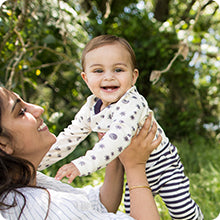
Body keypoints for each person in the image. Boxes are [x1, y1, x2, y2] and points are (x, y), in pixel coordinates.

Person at [39, 35, 203, 219]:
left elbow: (115, 140)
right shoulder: (91, 107)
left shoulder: (132, 102)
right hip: (132, 170)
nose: (109, 77)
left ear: (133, 77)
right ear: (86, 78)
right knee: (132, 215)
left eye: (118, 69)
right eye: (98, 70)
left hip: (164, 167)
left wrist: (80, 165)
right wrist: (37, 163)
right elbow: (70, 136)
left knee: (183, 212)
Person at [0, 86, 161, 220]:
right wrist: (135, 166)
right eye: (21, 112)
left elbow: (97, 205)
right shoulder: (45, 208)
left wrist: (114, 145)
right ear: (2, 144)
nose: (38, 109)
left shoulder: (24, 185)